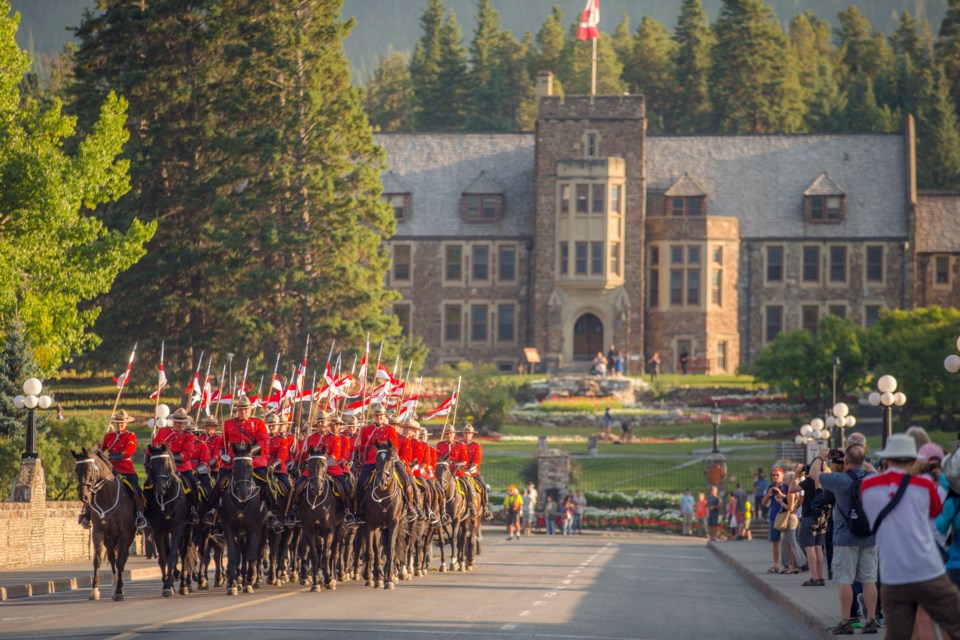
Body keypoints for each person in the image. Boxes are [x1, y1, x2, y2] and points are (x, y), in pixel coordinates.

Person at [862, 434, 960, 639]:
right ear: (914, 460)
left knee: (897, 634)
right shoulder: (923, 485)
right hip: (928, 571)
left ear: (886, 460)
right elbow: (935, 512)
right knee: (955, 622)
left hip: (893, 576)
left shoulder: (867, 487)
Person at [810, 435, 880, 635]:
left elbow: (814, 474)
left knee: (845, 580)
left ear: (846, 461)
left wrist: (821, 456)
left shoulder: (839, 480)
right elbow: (874, 470)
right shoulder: (871, 478)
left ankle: (846, 620)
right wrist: (860, 459)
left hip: (844, 537)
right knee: (869, 579)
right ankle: (872, 620)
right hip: (868, 536)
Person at [204, 396, 281, 531]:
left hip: (254, 461)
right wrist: (223, 455)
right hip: (233, 461)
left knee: (265, 483)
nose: (243, 412)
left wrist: (250, 452)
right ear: (237, 410)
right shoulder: (229, 424)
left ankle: (271, 514)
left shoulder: (259, 424)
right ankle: (213, 512)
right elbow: (223, 443)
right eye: (240, 410)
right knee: (220, 483)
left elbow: (263, 442)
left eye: (246, 409)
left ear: (250, 410)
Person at [80, 410, 147, 531]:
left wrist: (112, 456)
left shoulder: (130, 436)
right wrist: (95, 449)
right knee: (94, 487)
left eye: (122, 422)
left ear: (126, 423)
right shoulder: (109, 436)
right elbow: (101, 447)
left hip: (125, 469)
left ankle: (139, 515)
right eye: (118, 422)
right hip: (109, 469)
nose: (120, 424)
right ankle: (87, 513)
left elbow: (129, 451)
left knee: (136, 489)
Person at [797, 463, 826, 587]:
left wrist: (796, 475)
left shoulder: (809, 480)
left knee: (810, 548)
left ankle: (814, 577)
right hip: (822, 517)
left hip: (809, 516)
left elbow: (792, 489)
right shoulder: (824, 479)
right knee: (818, 547)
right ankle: (820, 576)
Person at [460, 424, 493, 519]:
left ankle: (486, 508)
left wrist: (469, 471)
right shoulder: (458, 445)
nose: (467, 435)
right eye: (465, 433)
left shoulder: (476, 446)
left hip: (473, 472)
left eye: (469, 433)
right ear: (463, 434)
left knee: (483, 486)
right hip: (459, 472)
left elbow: (477, 462)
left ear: (472, 435)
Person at [762, 467, 788, 573]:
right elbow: (763, 503)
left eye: (777, 475)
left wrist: (781, 494)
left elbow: (792, 499)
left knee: (788, 541)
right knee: (775, 542)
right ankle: (776, 565)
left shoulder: (786, 486)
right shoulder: (770, 487)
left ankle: (788, 564)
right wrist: (769, 495)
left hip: (785, 515)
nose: (775, 477)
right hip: (774, 516)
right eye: (773, 475)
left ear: (782, 475)